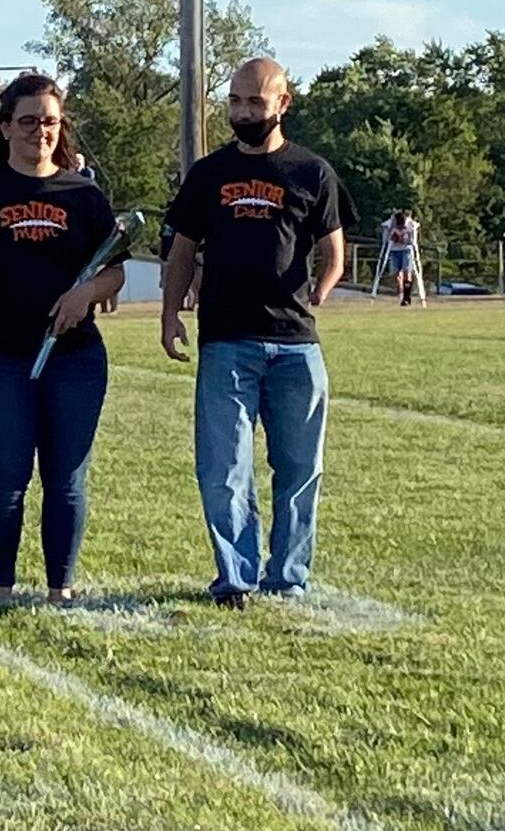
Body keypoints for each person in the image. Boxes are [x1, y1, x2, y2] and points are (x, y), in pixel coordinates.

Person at [0, 74, 126, 607]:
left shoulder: (84, 195)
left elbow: (115, 272)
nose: (41, 131)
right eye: (29, 120)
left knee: (66, 477)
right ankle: (1, 589)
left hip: (74, 356)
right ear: (7, 126)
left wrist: (85, 293)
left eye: (51, 122)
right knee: (7, 474)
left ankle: (61, 588)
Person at [160, 58, 355, 609]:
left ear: (282, 103)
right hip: (226, 339)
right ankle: (235, 576)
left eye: (255, 102)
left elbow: (333, 248)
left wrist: (322, 289)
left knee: (299, 467)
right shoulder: (207, 174)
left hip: (296, 345)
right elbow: (181, 252)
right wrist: (170, 313)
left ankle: (289, 574)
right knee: (225, 467)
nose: (244, 112)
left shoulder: (312, 172)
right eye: (236, 101)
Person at [380, 211, 419, 307]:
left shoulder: (410, 224)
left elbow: (413, 236)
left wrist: (406, 239)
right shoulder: (391, 223)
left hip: (406, 250)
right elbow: (385, 235)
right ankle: (401, 295)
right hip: (394, 250)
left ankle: (407, 296)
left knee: (407, 272)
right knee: (397, 274)